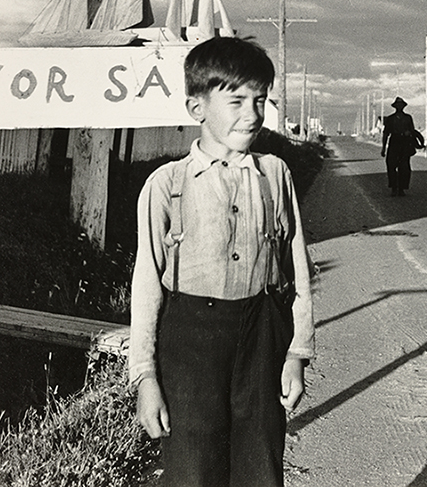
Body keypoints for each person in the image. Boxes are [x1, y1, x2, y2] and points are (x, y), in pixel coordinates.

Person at [129, 37, 315, 487]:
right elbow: (147, 284)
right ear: (197, 108)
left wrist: (297, 353)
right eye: (235, 101)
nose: (251, 115)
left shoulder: (275, 175)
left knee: (260, 468)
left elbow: (297, 271)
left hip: (261, 337)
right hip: (190, 342)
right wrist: (145, 378)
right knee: (193, 469)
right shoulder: (166, 185)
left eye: (260, 100)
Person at [380, 96, 421, 196]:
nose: (399, 107)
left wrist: (412, 137)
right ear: (395, 107)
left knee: (404, 167)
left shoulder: (408, 118)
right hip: (394, 143)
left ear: (403, 107)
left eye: (401, 105)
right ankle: (394, 188)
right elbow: (386, 134)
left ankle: (401, 188)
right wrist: (383, 148)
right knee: (391, 166)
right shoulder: (390, 119)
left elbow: (413, 131)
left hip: (405, 144)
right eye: (398, 105)